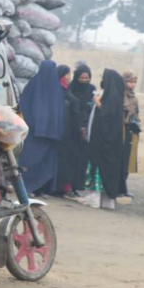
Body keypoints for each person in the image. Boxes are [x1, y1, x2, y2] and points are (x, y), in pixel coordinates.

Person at [18, 60, 64, 196]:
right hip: (34, 133)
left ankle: (41, 188)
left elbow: (60, 111)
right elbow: (24, 107)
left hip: (50, 134)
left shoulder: (56, 89)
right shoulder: (33, 86)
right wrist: (34, 125)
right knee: (31, 161)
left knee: (46, 163)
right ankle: (26, 188)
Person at [82, 69, 126, 210]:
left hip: (101, 144)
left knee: (98, 169)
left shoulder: (110, 99)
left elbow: (106, 116)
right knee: (109, 171)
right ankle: (107, 202)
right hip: (112, 145)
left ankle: (94, 199)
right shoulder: (116, 98)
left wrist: (97, 102)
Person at [68, 63, 96, 193]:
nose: (84, 80)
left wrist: (86, 127)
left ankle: (79, 184)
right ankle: (69, 185)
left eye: (87, 78)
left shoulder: (92, 90)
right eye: (82, 78)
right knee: (71, 157)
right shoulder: (70, 88)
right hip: (72, 128)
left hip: (87, 128)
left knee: (82, 159)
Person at [55, 65, 83, 198]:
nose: (69, 77)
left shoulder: (67, 89)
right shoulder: (59, 90)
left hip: (70, 131)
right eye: (67, 74)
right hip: (64, 131)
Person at [120, 71, 140, 199]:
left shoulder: (134, 97)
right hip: (121, 131)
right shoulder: (119, 95)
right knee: (120, 161)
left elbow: (136, 114)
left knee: (128, 162)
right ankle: (118, 187)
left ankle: (123, 187)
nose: (132, 85)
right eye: (129, 81)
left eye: (134, 82)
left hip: (131, 132)